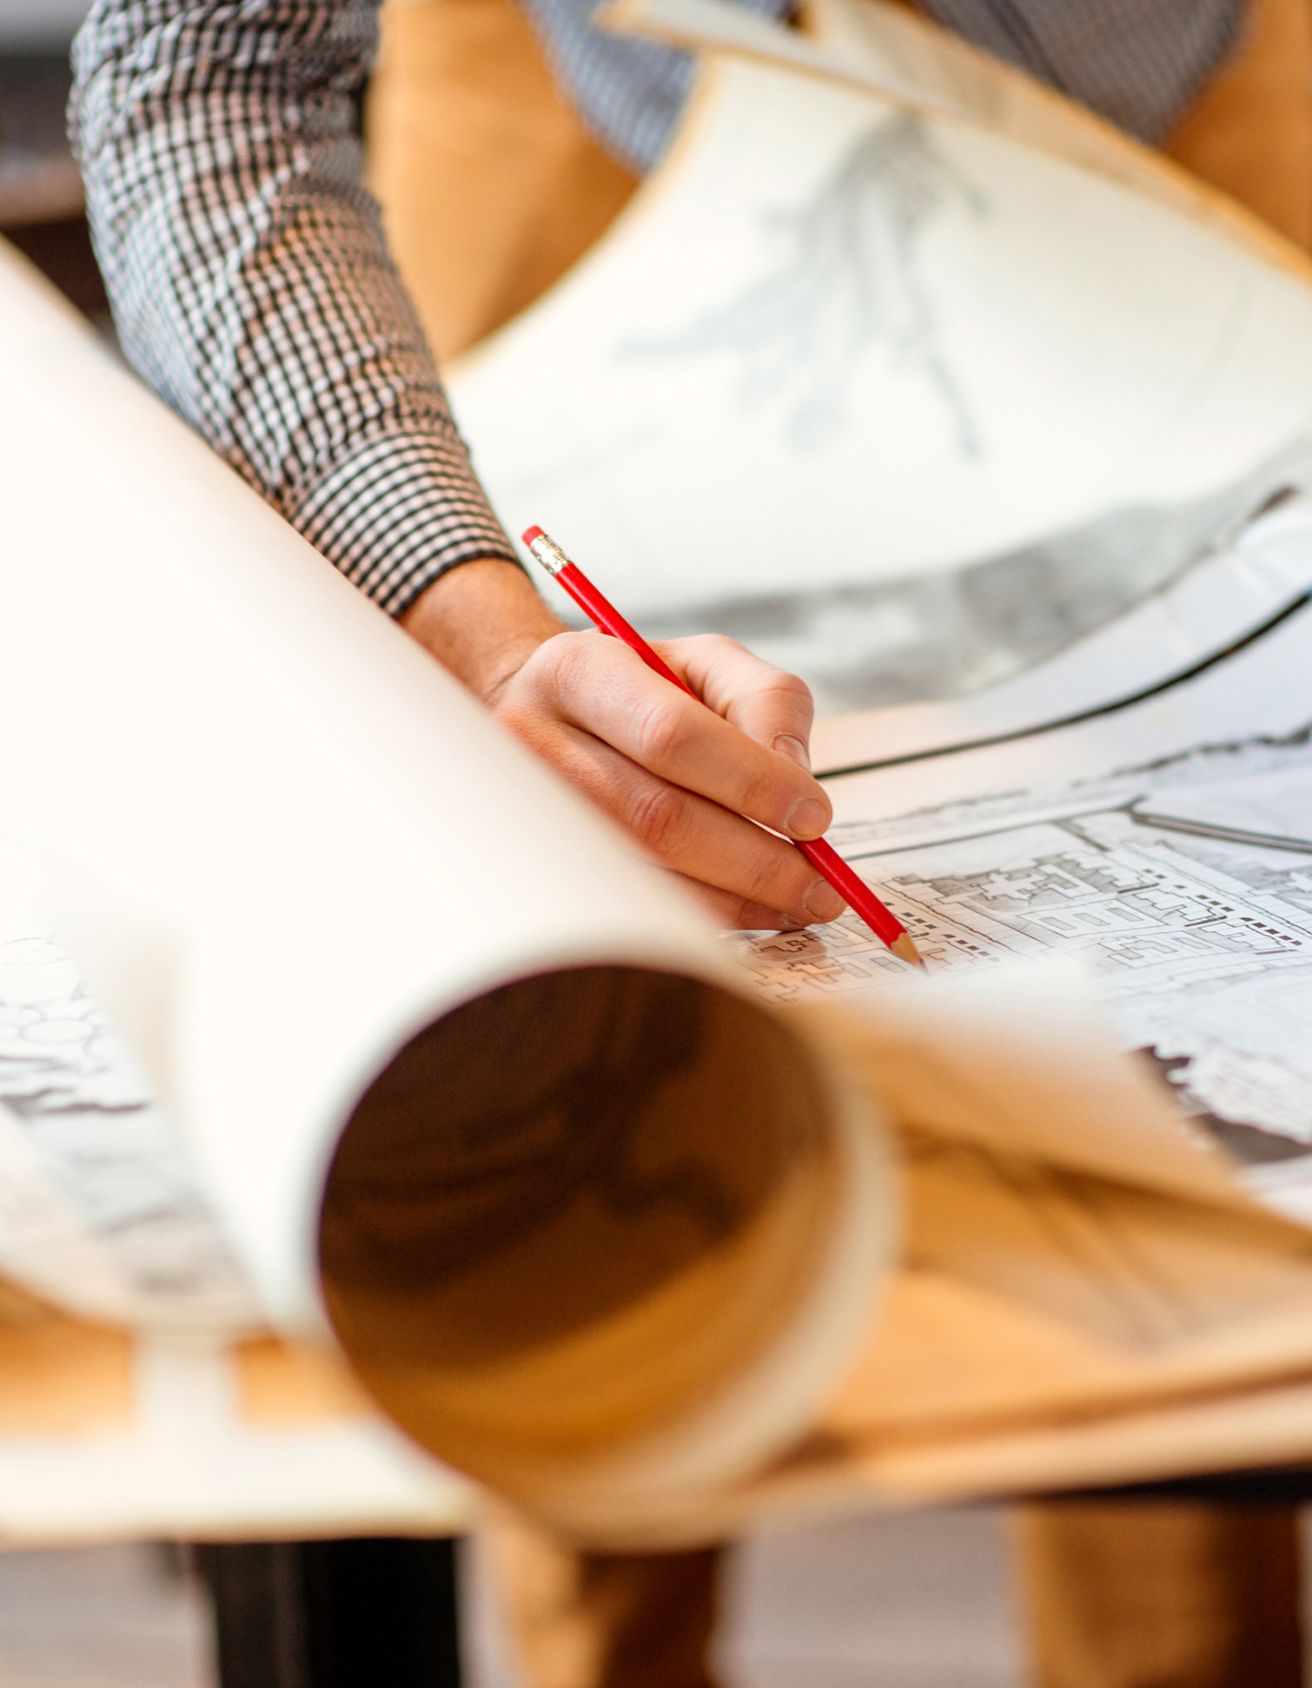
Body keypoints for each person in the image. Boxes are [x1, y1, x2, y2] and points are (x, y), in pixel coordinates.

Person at [70, 4, 1311, 1687]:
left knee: (1187, 1324)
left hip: (1204, 80)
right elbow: (202, 67)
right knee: (578, 1167)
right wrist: (474, 628)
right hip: (579, 75)